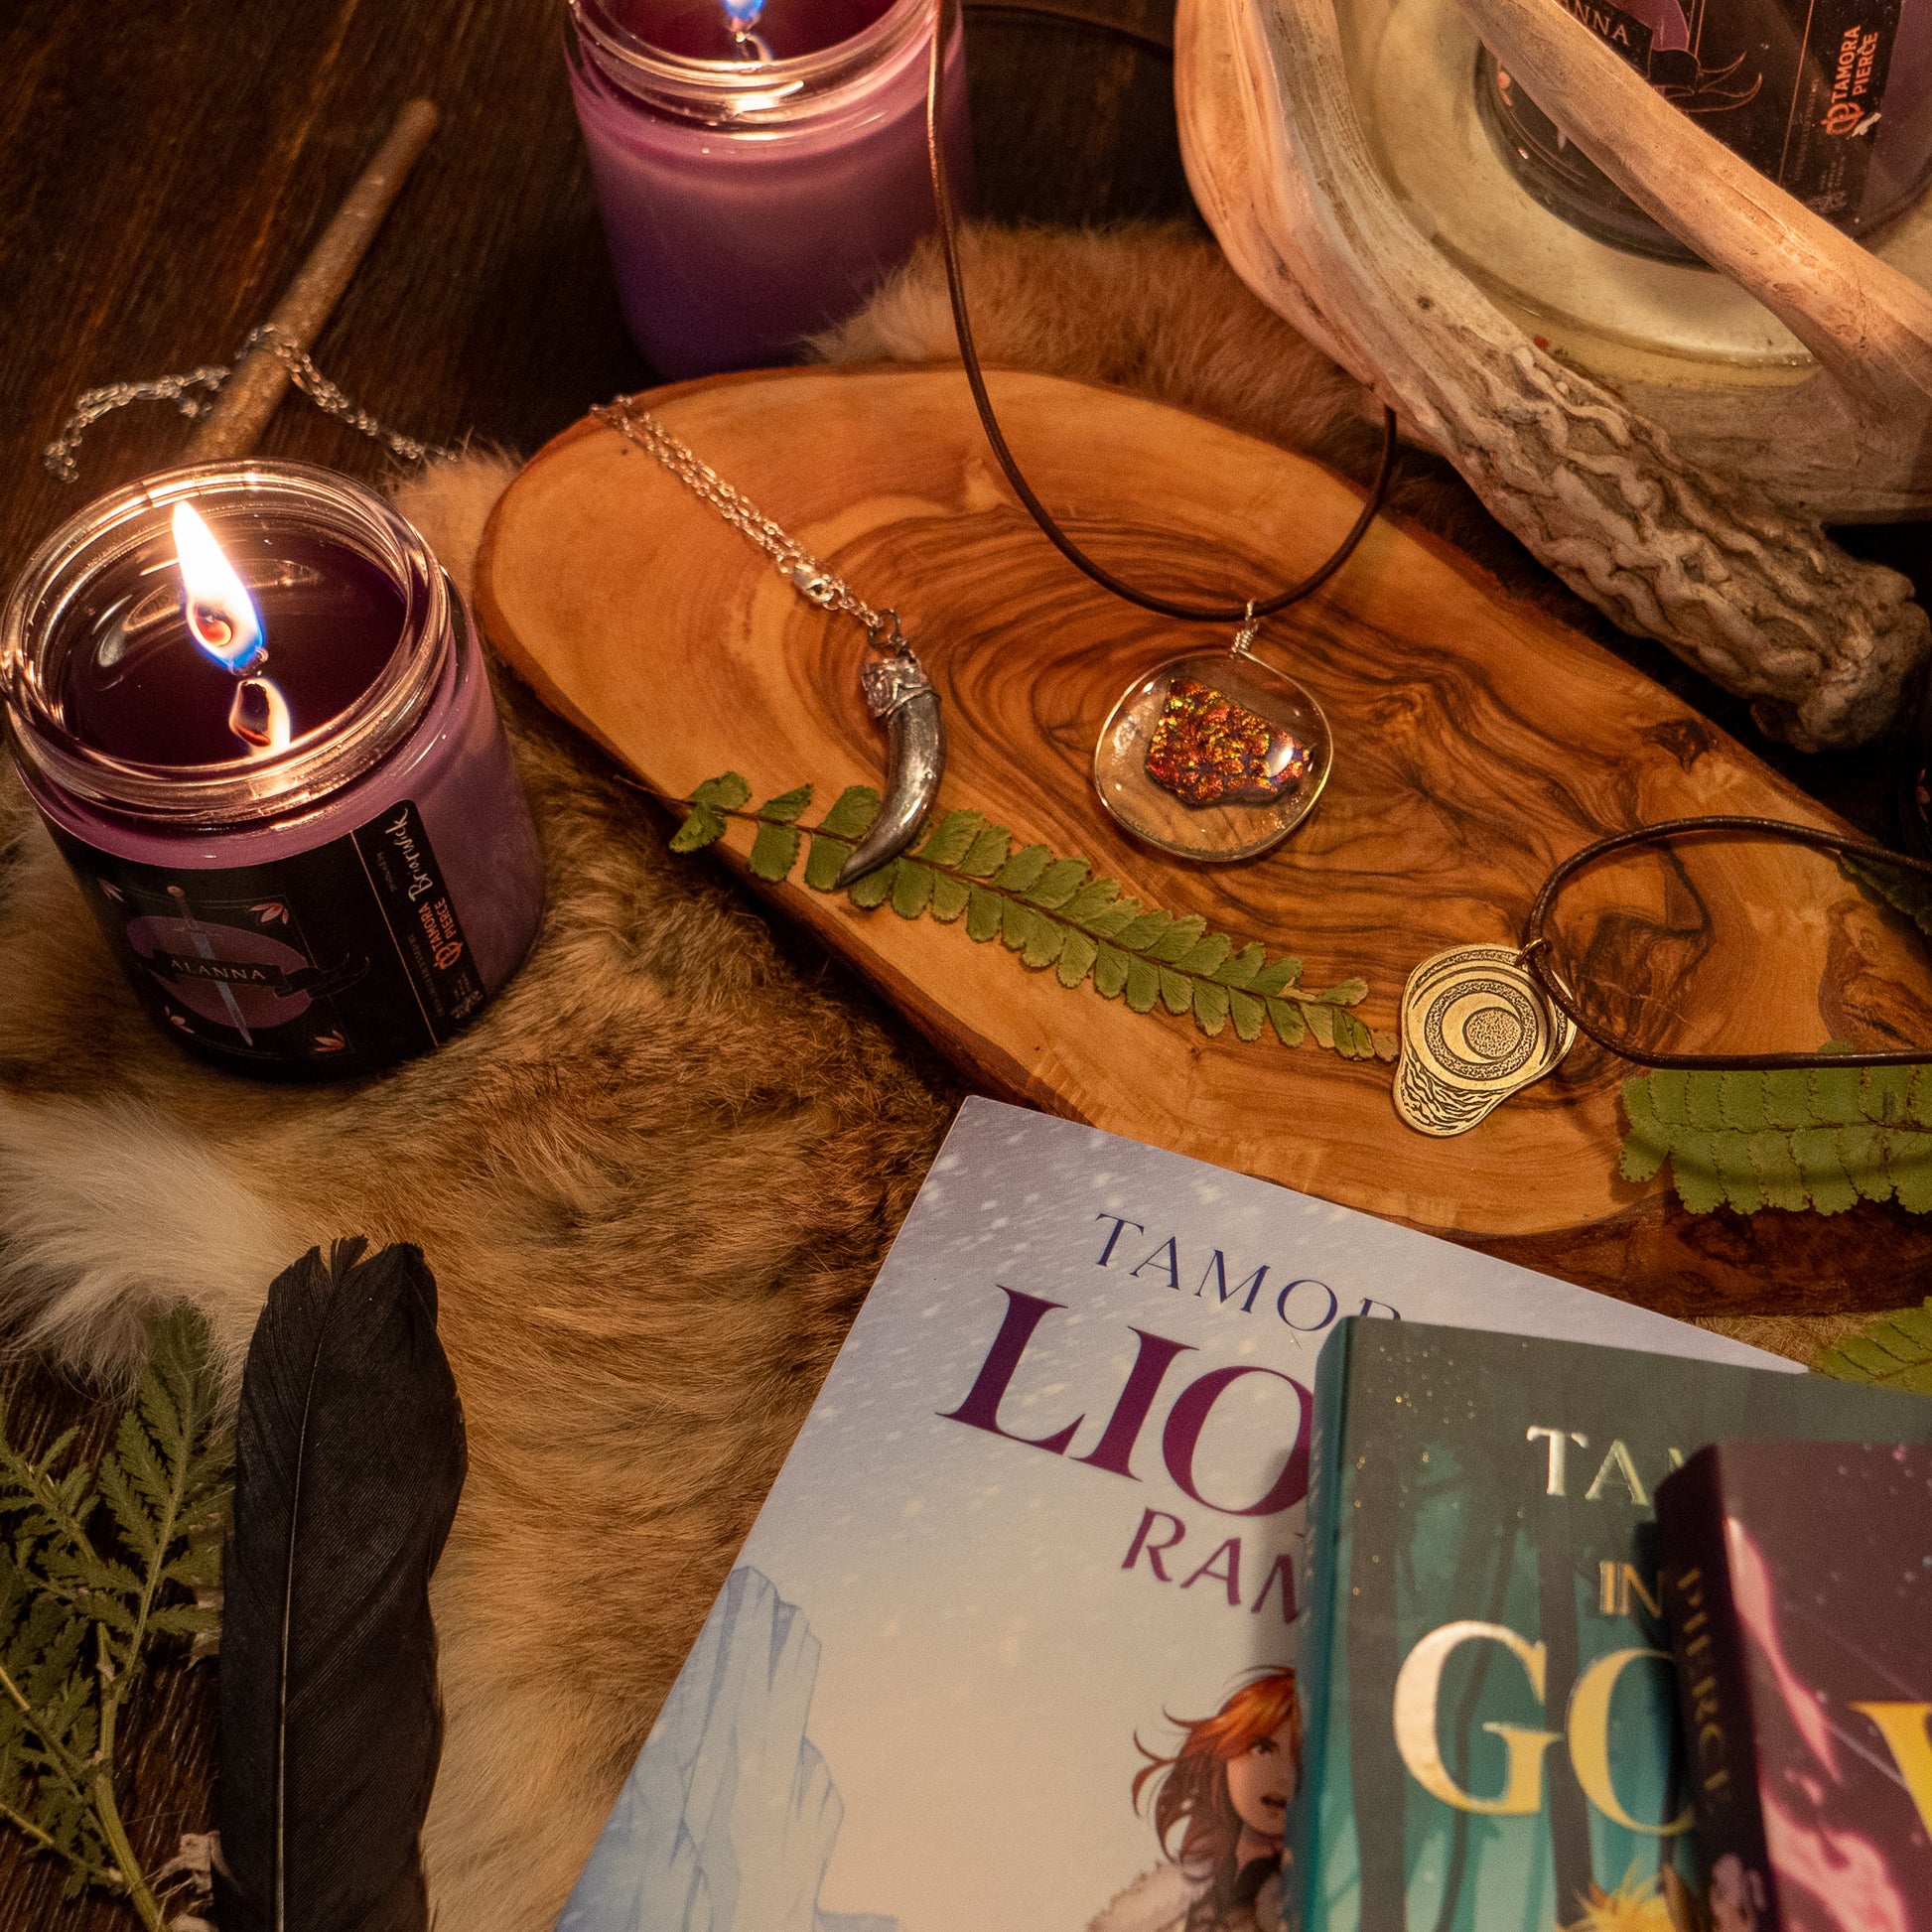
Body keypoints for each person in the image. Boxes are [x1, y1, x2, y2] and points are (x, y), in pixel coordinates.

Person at [1087, 1668, 1301, 1932]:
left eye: (1296, 1756)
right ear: (1225, 1756)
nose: (1280, 1775)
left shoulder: (1295, 1891)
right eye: (1262, 1748)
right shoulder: (1177, 1887)